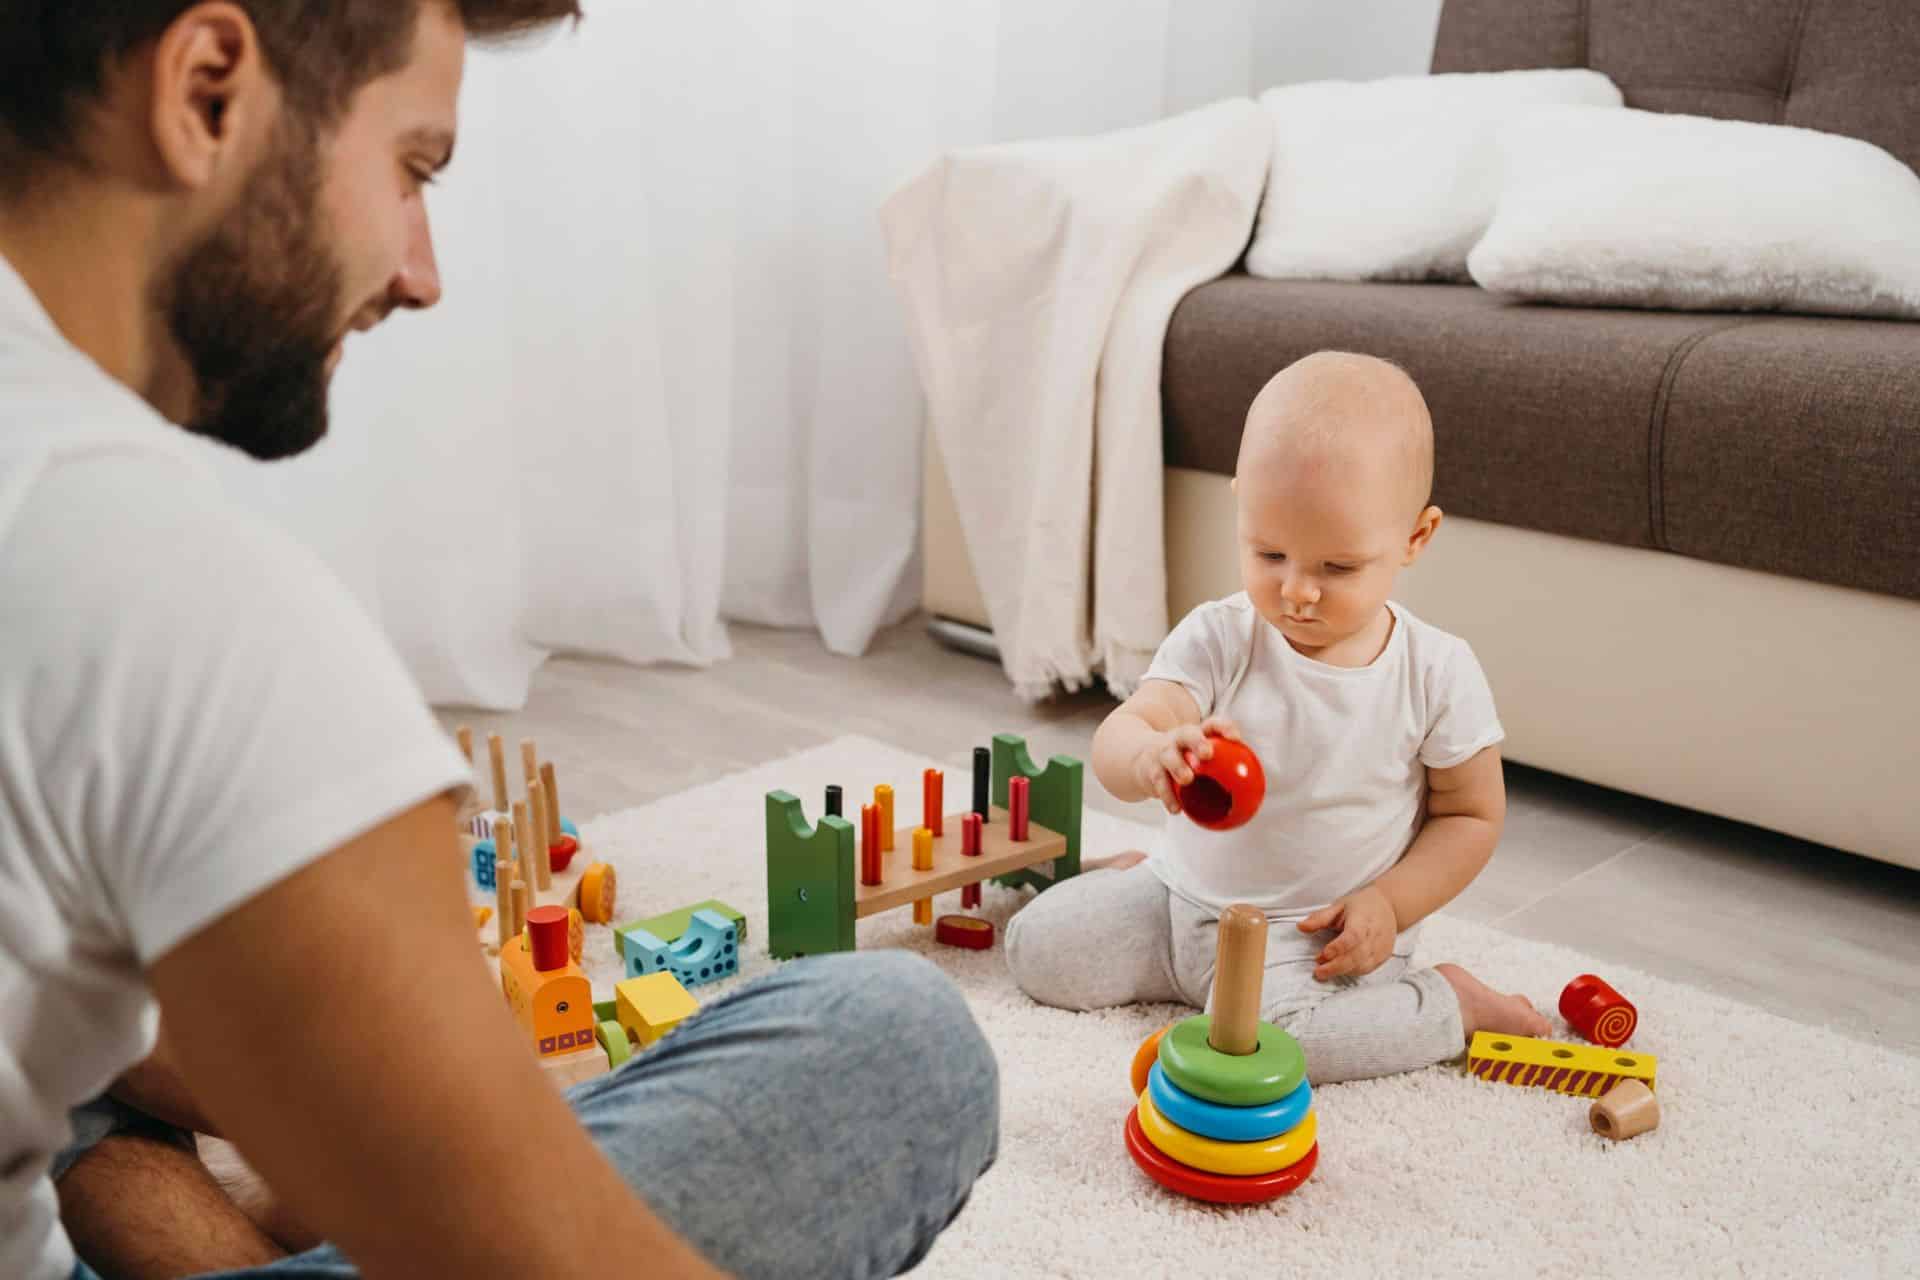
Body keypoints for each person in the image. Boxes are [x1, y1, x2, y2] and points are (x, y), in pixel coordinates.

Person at [0, 5, 997, 1278]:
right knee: (896, 1037)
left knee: (82, 954)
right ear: (205, 91)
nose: (422, 271)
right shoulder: (171, 595)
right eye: (414, 168)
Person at [1005, 351, 1550, 1083]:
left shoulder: (1435, 672)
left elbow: (1472, 818)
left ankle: (1451, 1002)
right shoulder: (1220, 634)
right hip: (1178, 901)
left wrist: (1389, 904)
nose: (1297, 591)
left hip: (1309, 939)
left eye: (1337, 568)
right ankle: (1138, 888)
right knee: (1038, 949)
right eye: (1269, 552)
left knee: (1285, 1050)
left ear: (1416, 538)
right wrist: (1148, 755)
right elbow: (1127, 732)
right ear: (1243, 507)